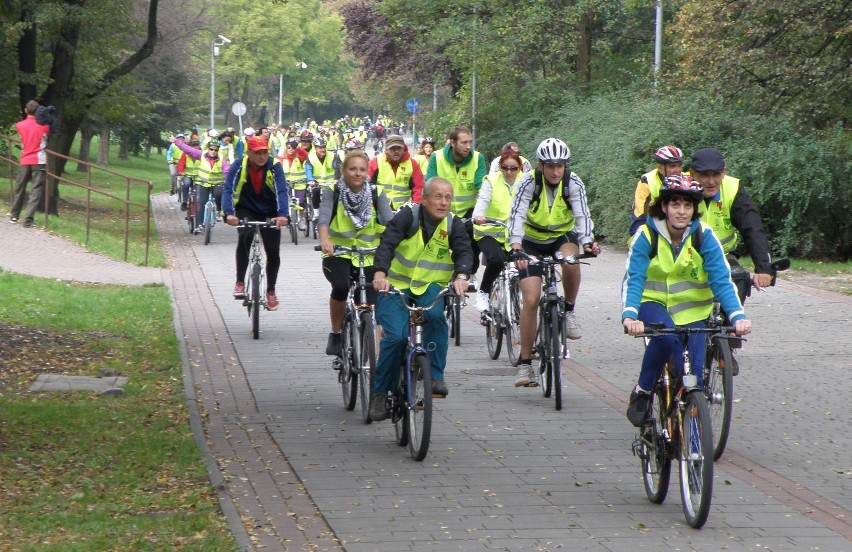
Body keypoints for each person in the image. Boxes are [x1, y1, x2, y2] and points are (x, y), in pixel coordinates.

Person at [622, 175, 752, 426]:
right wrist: (629, 315)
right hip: (652, 304)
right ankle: (643, 391)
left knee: (696, 379)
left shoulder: (704, 236)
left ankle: (693, 437)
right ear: (664, 207)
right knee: (666, 339)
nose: (682, 211)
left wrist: (737, 316)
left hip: (695, 312)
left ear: (694, 209)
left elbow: (721, 280)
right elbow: (634, 277)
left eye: (688, 205)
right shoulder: (646, 235)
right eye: (675, 204)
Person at [370, 178, 474, 420]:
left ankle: (435, 376)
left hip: (429, 286)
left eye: (448, 197)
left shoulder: (453, 224)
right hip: (395, 285)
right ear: (424, 199)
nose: (444, 202)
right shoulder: (408, 216)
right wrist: (379, 273)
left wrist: (461, 276)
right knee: (395, 337)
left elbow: (464, 251)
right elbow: (387, 243)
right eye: (438, 196)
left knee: (436, 318)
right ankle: (379, 393)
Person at [507, 138, 600, 387]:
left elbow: (582, 215)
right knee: (531, 299)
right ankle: (525, 365)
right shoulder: (528, 182)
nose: (556, 171)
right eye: (550, 166)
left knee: (571, 261)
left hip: (562, 235)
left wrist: (588, 241)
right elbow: (516, 214)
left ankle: (568, 311)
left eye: (560, 165)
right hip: (530, 240)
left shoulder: (573, 182)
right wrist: (515, 246)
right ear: (540, 165)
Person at [318, 150, 394, 356]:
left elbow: (389, 222)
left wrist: (396, 240)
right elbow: (324, 218)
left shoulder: (377, 193)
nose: (358, 173)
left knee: (372, 298)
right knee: (341, 287)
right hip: (338, 253)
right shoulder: (332, 191)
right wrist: (325, 240)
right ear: (344, 170)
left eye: (362, 169)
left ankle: (371, 346)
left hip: (369, 253)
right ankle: (336, 332)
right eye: (352, 169)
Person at [221, 136, 290, 311]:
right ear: (249, 153)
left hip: (271, 211)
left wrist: (283, 215)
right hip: (247, 209)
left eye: (265, 152)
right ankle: (239, 282)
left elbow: (282, 190)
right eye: (258, 153)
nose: (262, 156)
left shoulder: (274, 166)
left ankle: (271, 291)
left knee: (273, 251)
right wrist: (229, 213)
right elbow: (228, 188)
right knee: (245, 236)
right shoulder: (239, 164)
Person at [425, 125, 488, 278]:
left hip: (468, 211)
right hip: (443, 211)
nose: (468, 147)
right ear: (452, 143)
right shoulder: (437, 157)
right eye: (464, 142)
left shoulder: (477, 158)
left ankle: (469, 273)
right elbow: (429, 184)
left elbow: (482, 187)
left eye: (470, 142)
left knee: (473, 242)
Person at [471, 148, 523, 312]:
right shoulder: (491, 181)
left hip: (514, 235)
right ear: (499, 167)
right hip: (488, 232)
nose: (509, 172)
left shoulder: (526, 181)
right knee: (497, 260)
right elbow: (483, 201)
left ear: (520, 168)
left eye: (514, 168)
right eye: (505, 168)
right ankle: (483, 292)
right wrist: (479, 215)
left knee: (528, 262)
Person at [170, 136, 230, 233]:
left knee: (218, 194)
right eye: (211, 149)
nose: (213, 151)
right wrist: (176, 141)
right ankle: (199, 225)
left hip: (217, 183)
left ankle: (219, 210)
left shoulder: (221, 159)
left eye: (216, 150)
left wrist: (229, 178)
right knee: (201, 203)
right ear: (208, 148)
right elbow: (187, 149)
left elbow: (227, 170)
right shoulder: (201, 155)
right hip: (203, 183)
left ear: (218, 150)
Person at [629, 145, 686, 236]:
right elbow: (639, 215)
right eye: (673, 166)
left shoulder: (686, 180)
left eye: (679, 166)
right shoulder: (647, 182)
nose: (678, 170)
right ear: (660, 168)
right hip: (653, 231)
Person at [10, 100, 50, 227]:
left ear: (26, 111)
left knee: (20, 187)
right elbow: (46, 138)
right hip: (39, 160)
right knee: (36, 189)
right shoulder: (44, 126)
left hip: (25, 159)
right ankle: (27, 220)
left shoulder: (19, 125)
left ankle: (14, 216)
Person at [368, 134, 424, 211]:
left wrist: (414, 209)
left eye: (399, 148)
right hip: (379, 209)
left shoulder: (412, 164)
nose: (396, 151)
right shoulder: (376, 161)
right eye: (392, 148)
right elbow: (367, 185)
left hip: (404, 211)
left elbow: (418, 189)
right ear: (386, 149)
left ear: (404, 148)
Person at [306, 136, 336, 221]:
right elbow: (308, 169)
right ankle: (316, 213)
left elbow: (338, 168)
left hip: (331, 183)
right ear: (315, 148)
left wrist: (337, 179)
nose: (322, 149)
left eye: (324, 147)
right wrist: (310, 180)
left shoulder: (333, 156)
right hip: (317, 183)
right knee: (315, 191)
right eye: (320, 148)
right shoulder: (310, 157)